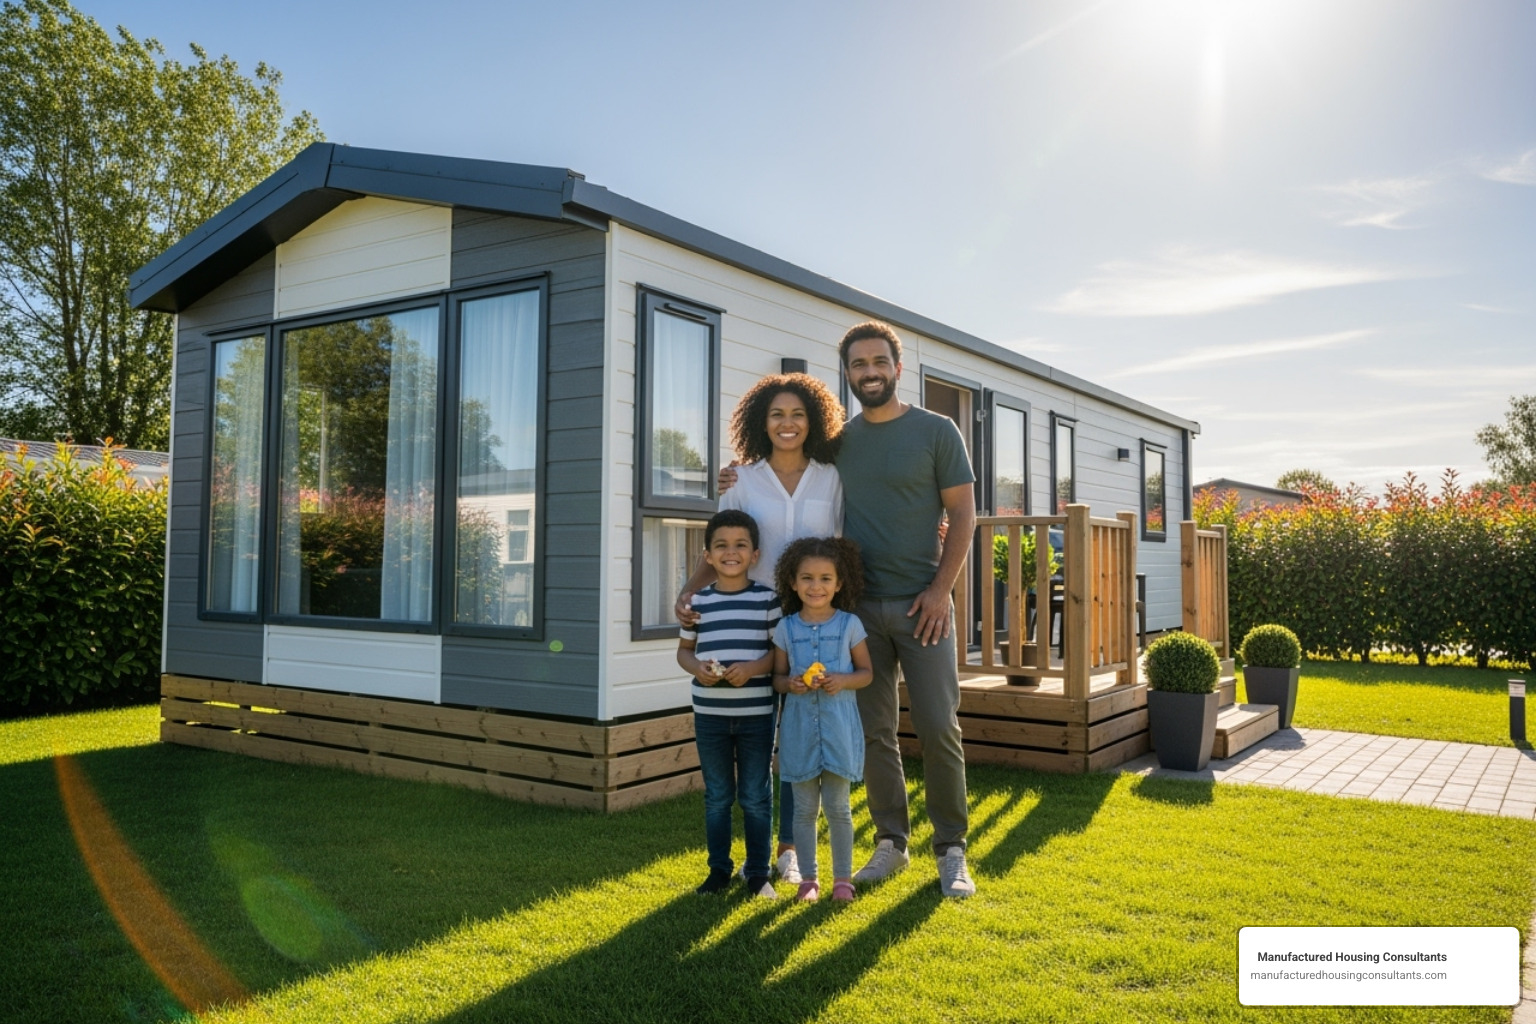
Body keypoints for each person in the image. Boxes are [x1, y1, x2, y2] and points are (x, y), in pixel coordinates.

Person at [719, 321, 978, 898]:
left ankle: (951, 849)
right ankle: (892, 844)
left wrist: (941, 590)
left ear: (898, 368)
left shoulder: (937, 430)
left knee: (939, 727)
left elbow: (963, 514)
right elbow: (786, 458)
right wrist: (733, 473)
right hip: (855, 613)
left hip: (924, 606)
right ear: (847, 373)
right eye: (859, 364)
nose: (870, 372)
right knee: (875, 732)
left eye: (879, 362)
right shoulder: (839, 444)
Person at [675, 372, 844, 885]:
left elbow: (846, 545)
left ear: (813, 421)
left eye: (797, 414)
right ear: (760, 422)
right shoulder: (741, 481)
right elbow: (720, 549)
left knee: (798, 739)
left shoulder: (832, 478)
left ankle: (789, 849)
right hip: (754, 625)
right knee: (760, 740)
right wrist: (688, 593)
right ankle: (748, 859)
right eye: (776, 415)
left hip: (811, 624)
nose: (787, 424)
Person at [676, 509, 781, 898]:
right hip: (710, 715)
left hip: (757, 715)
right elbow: (684, 652)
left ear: (755, 554)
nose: (731, 552)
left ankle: (758, 872)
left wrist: (752, 668)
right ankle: (718, 871)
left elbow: (778, 654)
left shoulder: (768, 600)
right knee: (718, 796)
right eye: (721, 546)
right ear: (708, 555)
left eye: (740, 545)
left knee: (755, 795)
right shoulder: (696, 603)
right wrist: (697, 668)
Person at [770, 536, 872, 902]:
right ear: (793, 582)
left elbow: (866, 673)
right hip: (799, 731)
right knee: (804, 810)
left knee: (838, 808)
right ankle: (809, 881)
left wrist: (842, 680)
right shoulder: (786, 628)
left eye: (825, 578)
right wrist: (791, 684)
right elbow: (777, 678)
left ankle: (842, 880)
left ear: (839, 583)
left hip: (838, 730)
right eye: (807, 578)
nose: (816, 586)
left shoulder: (850, 625)